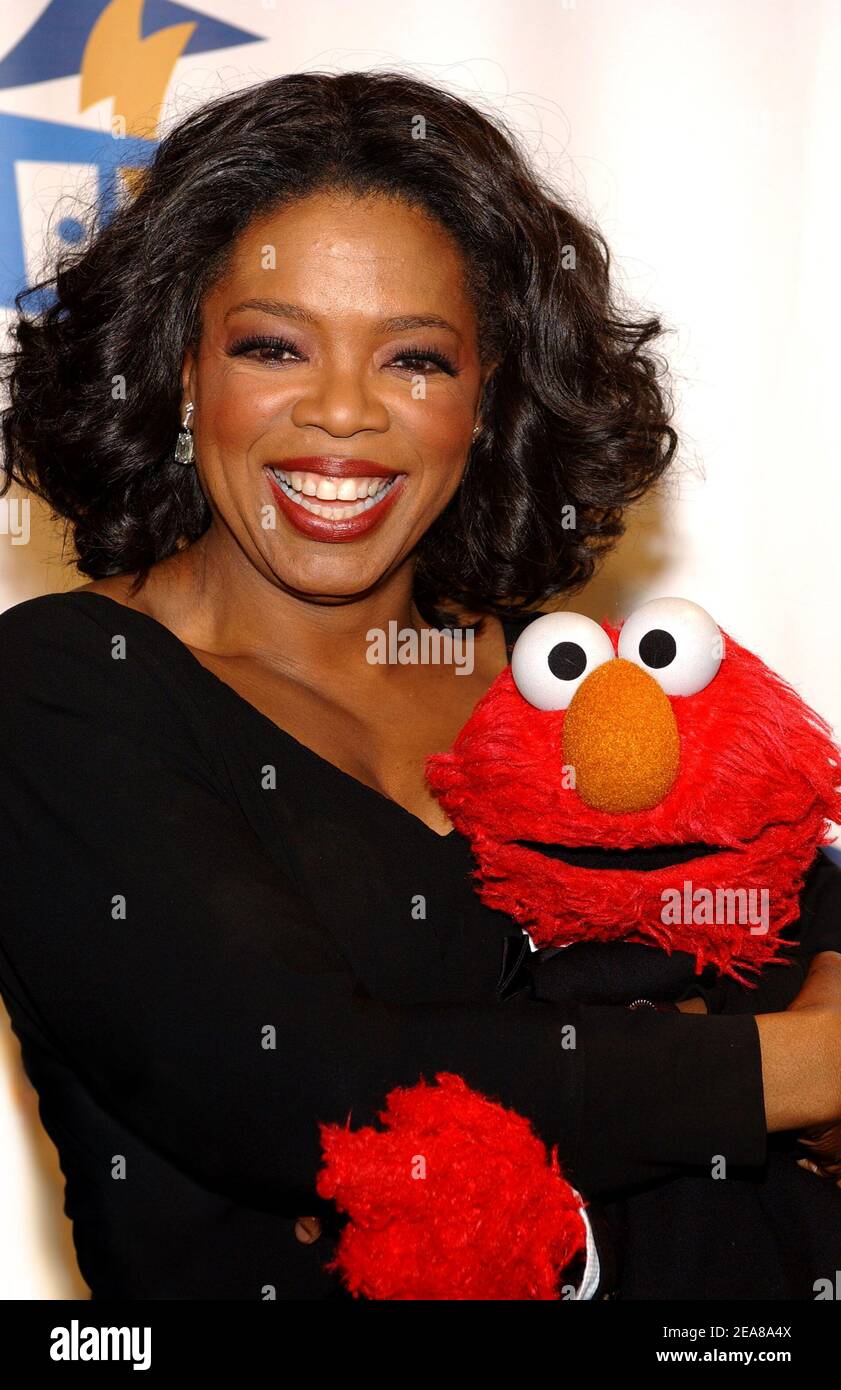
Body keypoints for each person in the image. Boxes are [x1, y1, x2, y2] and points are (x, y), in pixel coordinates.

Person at [0, 70, 839, 1300]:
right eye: (273, 345)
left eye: (415, 360)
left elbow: (794, 916)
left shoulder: (574, 694)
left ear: (488, 396)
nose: (341, 414)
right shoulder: (64, 689)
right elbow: (303, 1086)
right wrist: (803, 1070)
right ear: (179, 370)